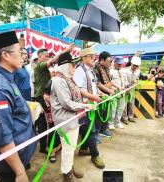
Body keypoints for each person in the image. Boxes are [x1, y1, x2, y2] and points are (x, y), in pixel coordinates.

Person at [0, 31, 36, 182]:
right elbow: (3, 137)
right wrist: (20, 172)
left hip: (18, 154)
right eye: (20, 51)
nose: (23, 55)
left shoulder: (5, 75)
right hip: (11, 164)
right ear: (6, 55)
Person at [50, 51, 93, 181]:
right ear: (65, 65)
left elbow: (75, 98)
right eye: (72, 65)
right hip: (65, 120)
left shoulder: (68, 79)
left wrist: (84, 102)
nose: (74, 67)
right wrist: (85, 106)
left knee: (71, 147)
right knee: (68, 148)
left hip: (73, 118)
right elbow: (66, 103)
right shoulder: (59, 80)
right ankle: (67, 173)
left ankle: (69, 168)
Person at [73, 48, 105, 169]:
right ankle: (95, 155)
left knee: (87, 129)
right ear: (84, 57)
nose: (94, 58)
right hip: (84, 106)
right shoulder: (79, 71)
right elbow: (79, 89)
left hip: (91, 105)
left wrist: (100, 94)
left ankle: (83, 149)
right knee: (89, 130)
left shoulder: (90, 71)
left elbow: (93, 86)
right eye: (92, 56)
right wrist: (94, 97)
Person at [93, 51, 119, 138]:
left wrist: (116, 88)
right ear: (102, 60)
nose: (110, 63)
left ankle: (103, 129)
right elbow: (98, 84)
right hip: (99, 95)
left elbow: (109, 82)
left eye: (111, 61)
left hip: (107, 94)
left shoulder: (107, 68)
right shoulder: (95, 68)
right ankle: (96, 132)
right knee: (98, 114)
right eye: (109, 61)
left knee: (105, 113)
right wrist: (109, 90)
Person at [109, 56, 127, 129]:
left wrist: (126, 85)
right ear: (114, 63)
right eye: (118, 64)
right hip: (114, 93)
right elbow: (109, 82)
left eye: (121, 64)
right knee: (112, 109)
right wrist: (114, 89)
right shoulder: (110, 71)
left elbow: (125, 81)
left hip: (122, 92)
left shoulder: (123, 71)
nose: (120, 65)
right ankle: (110, 123)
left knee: (120, 108)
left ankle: (117, 122)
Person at [122, 56, 141, 123]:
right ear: (131, 63)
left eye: (137, 66)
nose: (135, 67)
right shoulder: (125, 70)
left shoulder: (138, 72)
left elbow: (137, 79)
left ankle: (131, 117)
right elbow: (124, 80)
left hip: (132, 89)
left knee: (131, 103)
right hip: (126, 88)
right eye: (134, 65)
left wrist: (136, 81)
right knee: (124, 104)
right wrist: (127, 87)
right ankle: (125, 118)